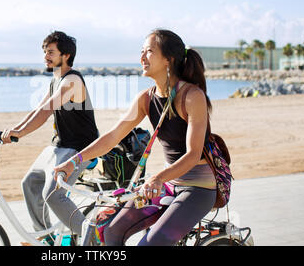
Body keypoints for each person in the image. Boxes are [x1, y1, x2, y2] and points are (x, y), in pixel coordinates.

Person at [54, 29, 216, 246]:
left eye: (149, 51)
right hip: (168, 184)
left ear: (169, 59)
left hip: (198, 188)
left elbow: (193, 153)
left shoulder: (192, 96)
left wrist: (157, 178)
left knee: (151, 243)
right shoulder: (146, 98)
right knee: (111, 230)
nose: (141, 58)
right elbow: (112, 136)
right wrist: (73, 162)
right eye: (141, 51)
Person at [1, 31, 99, 243]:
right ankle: (46, 238)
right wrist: (12, 130)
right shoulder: (56, 80)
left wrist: (21, 133)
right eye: (45, 52)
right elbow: (38, 109)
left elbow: (46, 110)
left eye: (51, 52)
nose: (46, 56)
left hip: (80, 149)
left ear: (65, 56)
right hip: (61, 145)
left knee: (52, 194)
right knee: (29, 183)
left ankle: (92, 239)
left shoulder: (72, 80)